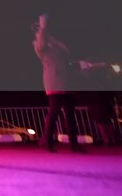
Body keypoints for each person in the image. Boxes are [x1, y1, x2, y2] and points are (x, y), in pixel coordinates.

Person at [34, 14, 85, 152]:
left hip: (67, 81)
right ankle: (48, 141)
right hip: (54, 81)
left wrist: (79, 65)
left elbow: (65, 61)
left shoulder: (56, 42)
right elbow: (41, 45)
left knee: (70, 115)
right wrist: (42, 29)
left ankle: (74, 144)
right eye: (39, 29)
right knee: (54, 113)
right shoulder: (40, 43)